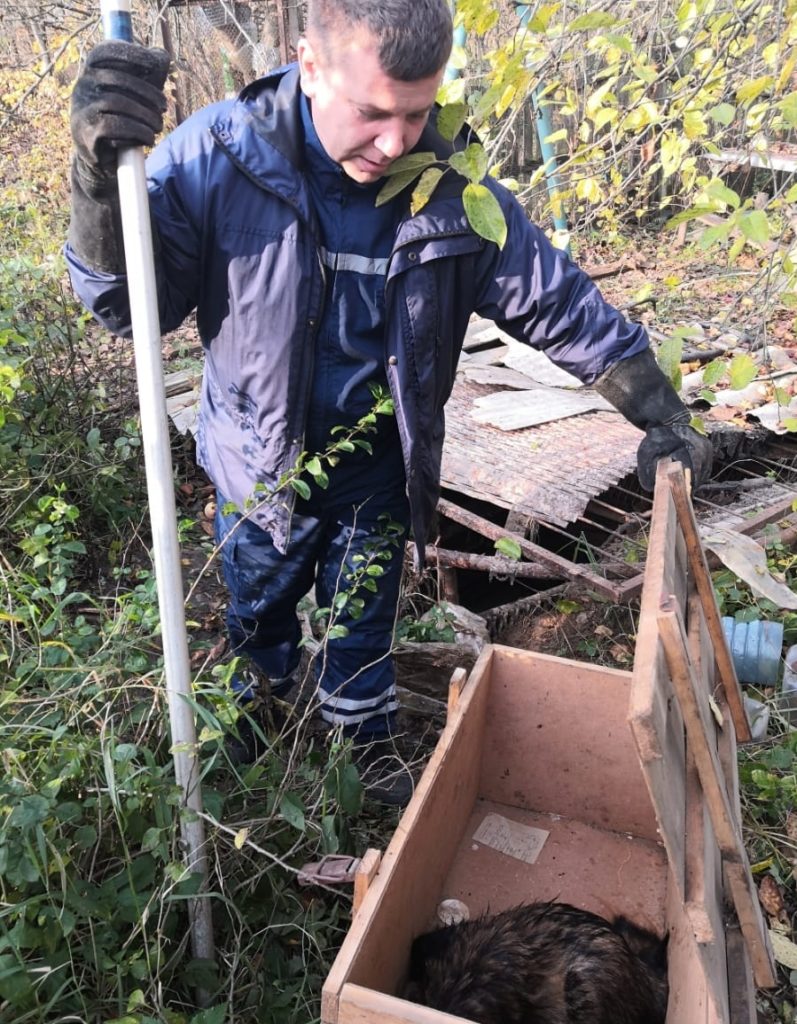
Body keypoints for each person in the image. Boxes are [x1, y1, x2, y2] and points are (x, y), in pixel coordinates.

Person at [65, 0, 712, 806]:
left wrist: (657, 409)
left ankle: (361, 755)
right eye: (371, 113)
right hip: (257, 468)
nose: (395, 142)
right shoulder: (219, 159)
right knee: (258, 612)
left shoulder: (447, 187)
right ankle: (258, 726)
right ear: (309, 66)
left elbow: (553, 299)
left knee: (362, 625)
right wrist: (98, 185)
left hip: (377, 470)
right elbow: (128, 305)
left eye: (415, 113)